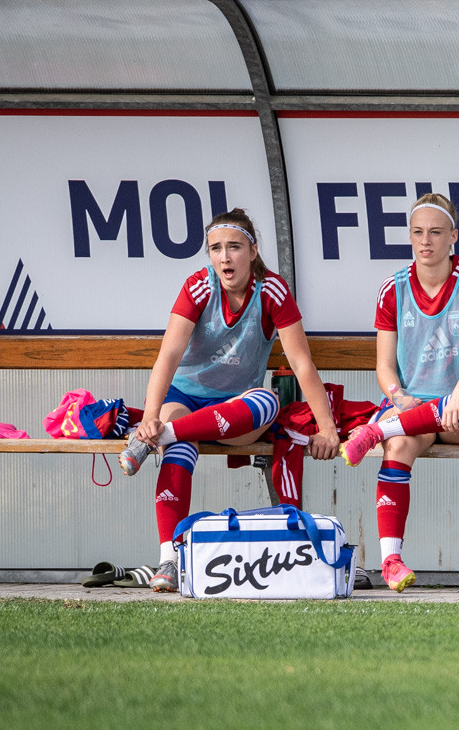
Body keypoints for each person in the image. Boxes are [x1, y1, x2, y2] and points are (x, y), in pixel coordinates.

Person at [118, 209, 339, 592]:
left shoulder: (272, 290)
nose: (224, 257)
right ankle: (169, 560)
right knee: (179, 446)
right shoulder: (198, 286)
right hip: (184, 401)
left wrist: (328, 428)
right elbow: (169, 355)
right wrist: (151, 415)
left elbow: (302, 364)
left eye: (234, 247)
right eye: (216, 248)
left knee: (268, 402)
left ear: (253, 251)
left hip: (236, 411)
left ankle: (159, 437)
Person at [338, 193, 459, 591]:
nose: (425, 241)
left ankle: (377, 430)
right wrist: (396, 396)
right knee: (399, 446)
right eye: (417, 232)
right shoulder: (393, 288)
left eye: (435, 232)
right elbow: (384, 365)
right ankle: (391, 560)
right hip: (415, 410)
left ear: (453, 237)